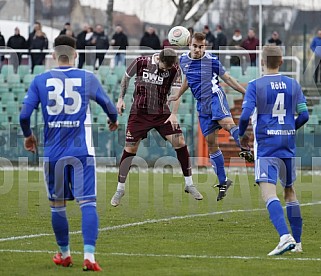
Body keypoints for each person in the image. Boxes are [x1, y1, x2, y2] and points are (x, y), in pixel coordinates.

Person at [19, 35, 119, 271]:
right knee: (88, 204)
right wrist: (113, 120)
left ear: (53, 55)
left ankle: (65, 254)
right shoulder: (87, 78)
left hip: (53, 155)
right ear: (76, 54)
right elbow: (109, 106)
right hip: (82, 152)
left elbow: (24, 116)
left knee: (57, 206)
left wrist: (28, 136)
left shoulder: (40, 80)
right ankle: (90, 257)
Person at [238, 45, 309, 255]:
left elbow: (244, 116)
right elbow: (304, 115)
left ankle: (284, 236)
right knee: (289, 191)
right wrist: (288, 130)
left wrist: (242, 135)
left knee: (268, 192)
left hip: (266, 146)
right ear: (281, 62)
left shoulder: (255, 85)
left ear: (261, 62)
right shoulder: (293, 84)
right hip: (287, 144)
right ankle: (297, 243)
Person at [110, 48, 203, 207]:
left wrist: (173, 113)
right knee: (130, 149)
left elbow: (176, 93)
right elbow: (125, 78)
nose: (166, 70)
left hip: (162, 113)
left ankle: (189, 183)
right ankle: (120, 189)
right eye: (164, 67)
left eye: (169, 68)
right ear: (158, 59)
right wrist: (120, 99)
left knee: (179, 142)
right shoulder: (141, 62)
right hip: (139, 113)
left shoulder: (174, 69)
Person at [168, 32, 254, 201]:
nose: (198, 49)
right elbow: (187, 79)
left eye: (201, 47)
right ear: (189, 45)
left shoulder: (212, 60)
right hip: (201, 104)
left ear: (205, 46)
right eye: (195, 46)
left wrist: (246, 93)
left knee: (227, 123)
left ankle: (245, 148)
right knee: (211, 143)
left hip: (215, 97)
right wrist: (178, 94)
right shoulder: (184, 60)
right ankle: (223, 181)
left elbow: (227, 79)